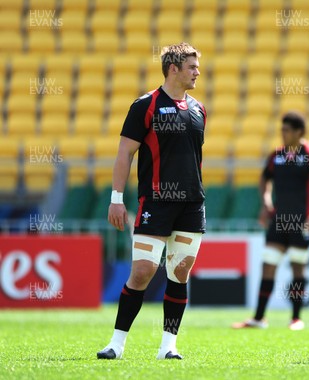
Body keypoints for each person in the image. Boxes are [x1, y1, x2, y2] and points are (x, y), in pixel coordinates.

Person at [97, 42, 206, 360]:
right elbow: (124, 153)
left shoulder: (199, 109)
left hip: (191, 205)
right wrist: (116, 199)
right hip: (155, 202)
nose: (197, 71)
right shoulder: (145, 105)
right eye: (192, 66)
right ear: (174, 68)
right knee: (143, 271)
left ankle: (168, 347)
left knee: (179, 272)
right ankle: (116, 344)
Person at [232, 111, 309, 330]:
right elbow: (264, 178)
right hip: (278, 221)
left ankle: (296, 318)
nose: (283, 133)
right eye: (281, 129)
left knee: (298, 268)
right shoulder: (277, 155)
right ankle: (259, 318)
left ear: (299, 132)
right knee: (268, 266)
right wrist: (265, 203)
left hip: (302, 223)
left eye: (287, 130)